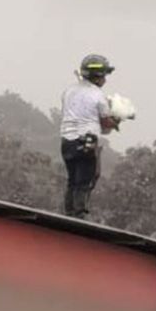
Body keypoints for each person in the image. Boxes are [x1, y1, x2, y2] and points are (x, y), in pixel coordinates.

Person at [58, 54, 118, 219]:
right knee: (86, 179)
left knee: (72, 179)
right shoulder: (98, 95)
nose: (105, 79)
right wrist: (117, 121)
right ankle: (79, 215)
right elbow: (106, 122)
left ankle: (68, 212)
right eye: (104, 75)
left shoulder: (69, 91)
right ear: (98, 77)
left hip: (66, 141)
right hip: (87, 141)